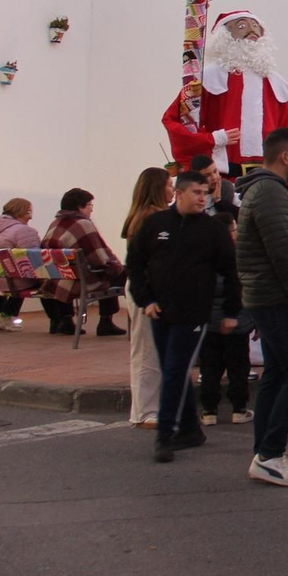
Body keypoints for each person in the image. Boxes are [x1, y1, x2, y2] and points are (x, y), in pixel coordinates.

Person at [126, 170, 241, 462]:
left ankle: (165, 435)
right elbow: (135, 264)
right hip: (159, 311)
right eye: (197, 193)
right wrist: (146, 300)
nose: (203, 198)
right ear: (179, 193)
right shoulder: (155, 224)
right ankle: (191, 427)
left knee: (177, 370)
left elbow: (230, 271)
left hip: (193, 314)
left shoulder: (213, 229)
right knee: (171, 371)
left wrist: (231, 312)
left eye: (206, 193)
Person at [238, 128, 288, 487]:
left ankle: (267, 453)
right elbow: (282, 252)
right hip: (281, 300)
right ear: (284, 156)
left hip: (273, 298)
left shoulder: (268, 191)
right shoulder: (270, 193)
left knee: (276, 374)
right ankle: (270, 454)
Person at [161, 10, 288, 171]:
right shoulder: (208, 79)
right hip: (223, 179)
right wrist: (211, 139)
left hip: (267, 180)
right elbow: (177, 121)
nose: (252, 31)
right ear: (225, 37)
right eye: (241, 26)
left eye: (256, 26)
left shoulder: (275, 83)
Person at [120, 169, 174, 423]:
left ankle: (149, 407)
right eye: (169, 185)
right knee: (146, 350)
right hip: (148, 288)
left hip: (147, 286)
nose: (172, 190)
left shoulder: (143, 215)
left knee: (150, 348)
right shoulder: (151, 217)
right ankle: (144, 411)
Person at [42, 187, 126, 339]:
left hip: (56, 278)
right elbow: (100, 257)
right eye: (90, 205)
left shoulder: (55, 223)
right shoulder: (83, 224)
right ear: (80, 206)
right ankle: (106, 322)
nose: (91, 210)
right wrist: (116, 266)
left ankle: (65, 321)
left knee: (71, 273)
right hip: (78, 281)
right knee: (113, 271)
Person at [198, 211, 252, 426]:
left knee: (210, 367)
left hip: (209, 321)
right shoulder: (239, 256)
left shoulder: (203, 255)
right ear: (230, 231)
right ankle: (239, 409)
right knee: (238, 367)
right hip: (237, 321)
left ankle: (209, 410)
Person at [0, 198, 41, 331]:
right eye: (30, 212)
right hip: (15, 279)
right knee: (32, 278)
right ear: (24, 212)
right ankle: (5, 316)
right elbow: (34, 258)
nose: (31, 216)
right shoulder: (23, 230)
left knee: (12, 278)